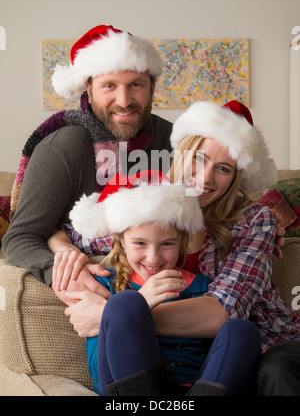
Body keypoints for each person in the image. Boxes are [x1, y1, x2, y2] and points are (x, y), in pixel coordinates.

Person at [57, 100, 300, 395]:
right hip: (148, 360)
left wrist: (116, 319)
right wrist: (65, 254)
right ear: (182, 150)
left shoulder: (254, 220)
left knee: (241, 331)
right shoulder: (147, 204)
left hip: (243, 349)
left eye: (223, 168)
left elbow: (223, 313)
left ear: (236, 178)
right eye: (199, 158)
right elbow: (69, 232)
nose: (206, 177)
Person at [48, 169, 261, 396]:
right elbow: (97, 368)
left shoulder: (204, 288)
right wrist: (138, 306)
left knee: (242, 330)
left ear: (182, 242)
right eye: (140, 243)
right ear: (121, 241)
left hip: (193, 393)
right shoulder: (101, 285)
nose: (153, 258)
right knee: (126, 302)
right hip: (129, 390)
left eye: (167, 244)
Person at [2, 24, 173, 293]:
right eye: (109, 86)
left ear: (152, 87)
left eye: (136, 85)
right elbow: (20, 238)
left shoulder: (173, 138)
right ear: (89, 89)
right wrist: (63, 268)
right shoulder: (64, 147)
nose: (124, 100)